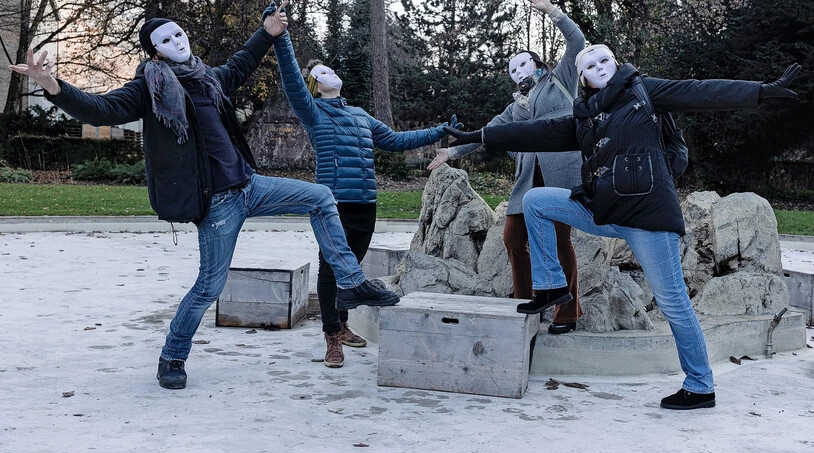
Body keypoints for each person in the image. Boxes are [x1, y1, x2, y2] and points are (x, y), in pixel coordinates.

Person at [9, 1, 400, 390]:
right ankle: (172, 356)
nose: (177, 40)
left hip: (251, 186)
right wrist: (53, 87)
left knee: (320, 196)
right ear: (155, 50)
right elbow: (101, 109)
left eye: (179, 33)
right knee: (209, 287)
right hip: (217, 203)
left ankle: (350, 282)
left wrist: (267, 31)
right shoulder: (149, 87)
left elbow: (242, 62)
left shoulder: (209, 77)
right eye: (166, 38)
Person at [442, 43, 801, 409]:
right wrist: (477, 137)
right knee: (535, 202)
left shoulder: (644, 92)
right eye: (590, 65)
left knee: (674, 304)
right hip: (606, 213)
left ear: (615, 64)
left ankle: (700, 385)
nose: (599, 67)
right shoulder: (585, 115)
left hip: (647, 220)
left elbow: (700, 90)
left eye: (604, 61)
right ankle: (551, 287)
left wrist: (761, 91)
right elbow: (535, 131)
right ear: (583, 77)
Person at [271, 19, 459, 368]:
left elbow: (396, 141)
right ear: (315, 85)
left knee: (351, 269)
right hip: (333, 205)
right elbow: (292, 81)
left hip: (365, 205)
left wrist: (439, 131)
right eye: (320, 71)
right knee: (330, 270)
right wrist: (282, 38)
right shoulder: (312, 112)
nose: (328, 72)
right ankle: (331, 336)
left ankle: (342, 325)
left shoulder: (360, 116)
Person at [428, 0, 585, 334]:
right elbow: (487, 134)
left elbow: (577, 43)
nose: (518, 72)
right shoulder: (514, 108)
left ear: (537, 63)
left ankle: (567, 312)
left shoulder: (561, 79)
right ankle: (530, 303)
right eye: (512, 71)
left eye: (523, 64)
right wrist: (451, 153)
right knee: (513, 238)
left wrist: (552, 12)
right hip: (527, 179)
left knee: (560, 241)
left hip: (562, 173)